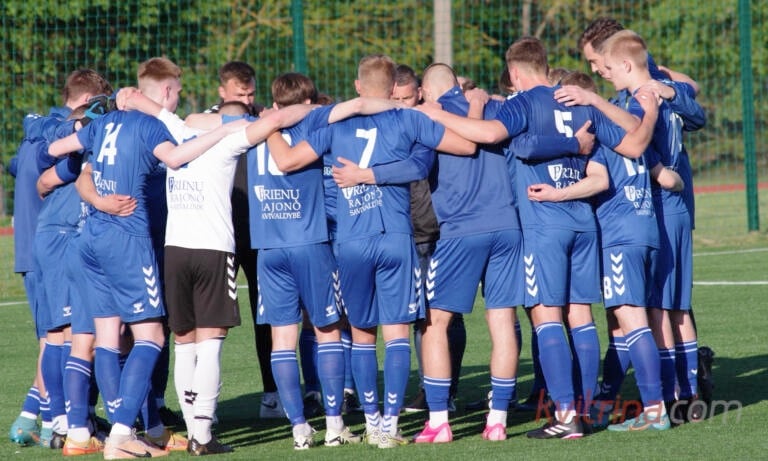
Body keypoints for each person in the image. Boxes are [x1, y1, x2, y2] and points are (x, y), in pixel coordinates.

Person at [417, 36, 659, 439]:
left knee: (546, 316)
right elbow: (633, 145)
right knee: (580, 315)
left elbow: (487, 135)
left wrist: (433, 114)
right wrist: (640, 111)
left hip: (543, 224)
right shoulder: (580, 101)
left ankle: (565, 416)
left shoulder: (523, 103)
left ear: (514, 72)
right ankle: (585, 410)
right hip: (583, 221)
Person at [264, 54, 474, 448]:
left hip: (351, 241)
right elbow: (464, 145)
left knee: (362, 335)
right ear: (393, 88)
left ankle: (372, 421)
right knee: (396, 333)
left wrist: (268, 124)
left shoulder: (333, 124)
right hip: (395, 237)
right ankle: (390, 426)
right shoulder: (408, 118)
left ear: (358, 86)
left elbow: (287, 160)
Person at [48, 69, 249, 459]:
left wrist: (99, 193)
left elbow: (59, 150)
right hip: (128, 239)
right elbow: (175, 158)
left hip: (92, 235)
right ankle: (123, 435)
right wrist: (223, 132)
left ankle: (122, 432)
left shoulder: (102, 124)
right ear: (162, 95)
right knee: (152, 336)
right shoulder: (150, 127)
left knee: (108, 337)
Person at [248, 72, 407, 450]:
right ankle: (335, 425)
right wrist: (401, 107)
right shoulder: (316, 121)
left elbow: (202, 122)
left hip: (267, 247)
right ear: (309, 102)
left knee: (282, 338)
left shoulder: (254, 129)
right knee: (328, 330)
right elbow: (356, 105)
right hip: (310, 242)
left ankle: (299, 429)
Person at [528, 68, 685, 432]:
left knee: (632, 321)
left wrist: (556, 194)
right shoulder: (632, 136)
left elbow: (597, 181)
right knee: (622, 323)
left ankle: (654, 409)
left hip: (619, 237)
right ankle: (609, 399)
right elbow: (669, 179)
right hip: (648, 232)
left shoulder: (601, 137)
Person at [574, 18, 707, 421]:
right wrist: (671, 90)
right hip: (672, 207)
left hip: (656, 208)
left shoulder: (637, 100)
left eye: (599, 63)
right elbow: (694, 105)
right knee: (673, 306)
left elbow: (638, 143)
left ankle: (666, 399)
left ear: (621, 61)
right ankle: (688, 393)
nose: (598, 71)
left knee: (656, 309)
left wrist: (656, 171)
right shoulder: (656, 88)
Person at [388, 65, 466, 415]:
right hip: (406, 233)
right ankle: (430, 388)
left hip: (439, 230)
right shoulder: (384, 124)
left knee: (446, 316)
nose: (402, 105)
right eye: (396, 99)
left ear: (419, 93)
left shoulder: (431, 120)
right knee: (417, 315)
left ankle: (443, 391)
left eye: (407, 98)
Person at [205, 61, 281, 418]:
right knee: (210, 321)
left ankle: (272, 395)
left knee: (265, 315)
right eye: (240, 94)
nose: (248, 100)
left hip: (258, 232)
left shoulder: (264, 119)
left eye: (251, 93)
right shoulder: (204, 122)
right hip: (219, 234)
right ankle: (204, 404)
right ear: (222, 92)